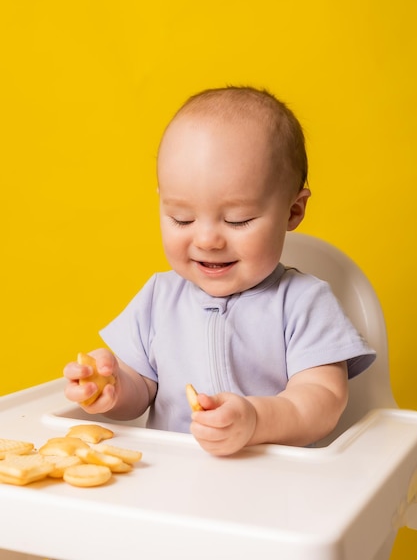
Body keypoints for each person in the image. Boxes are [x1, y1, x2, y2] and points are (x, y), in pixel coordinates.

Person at [64, 86, 375, 456]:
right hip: (171, 483)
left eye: (237, 220)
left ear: (293, 211)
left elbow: (322, 401)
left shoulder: (304, 302)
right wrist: (111, 387)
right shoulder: (158, 298)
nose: (208, 239)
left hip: (277, 487)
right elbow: (140, 390)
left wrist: (256, 421)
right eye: (182, 218)